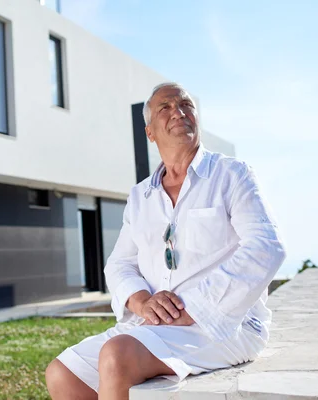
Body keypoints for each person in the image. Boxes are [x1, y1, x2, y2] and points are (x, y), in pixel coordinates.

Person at [45, 82, 286, 400]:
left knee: (117, 356)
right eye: (166, 107)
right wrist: (141, 300)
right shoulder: (140, 195)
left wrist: (198, 308)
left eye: (186, 105)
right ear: (150, 132)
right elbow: (119, 264)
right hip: (157, 326)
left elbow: (266, 246)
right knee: (62, 374)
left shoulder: (232, 174)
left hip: (226, 324)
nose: (179, 111)